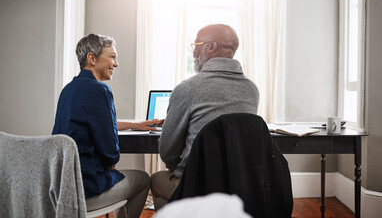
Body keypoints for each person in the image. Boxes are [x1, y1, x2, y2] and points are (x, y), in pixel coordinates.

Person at [151, 24, 260, 210]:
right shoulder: (252, 89)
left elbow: (167, 150)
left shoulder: (187, 89)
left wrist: (180, 169)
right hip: (238, 185)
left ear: (211, 47)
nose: (193, 51)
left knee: (155, 180)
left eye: (196, 44)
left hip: (197, 184)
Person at [52, 34, 157, 218]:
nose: (116, 64)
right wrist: (110, 168)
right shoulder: (100, 90)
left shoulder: (68, 89)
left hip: (61, 187)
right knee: (142, 179)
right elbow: (111, 157)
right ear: (92, 58)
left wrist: (136, 125)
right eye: (112, 57)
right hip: (85, 190)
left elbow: (93, 122)